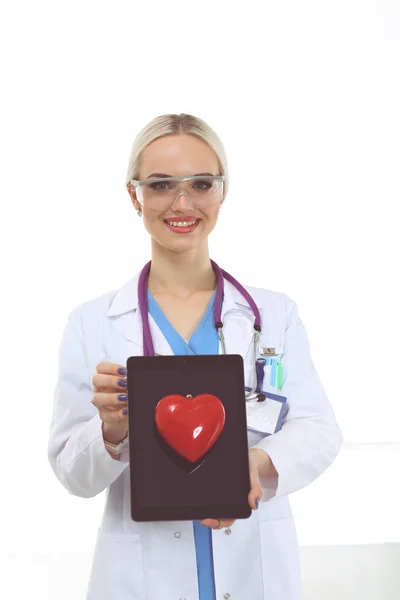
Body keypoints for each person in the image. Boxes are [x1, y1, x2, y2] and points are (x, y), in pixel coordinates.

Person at [48, 113, 343, 600]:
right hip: (142, 578)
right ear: (133, 194)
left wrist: (253, 464)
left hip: (254, 567)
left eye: (201, 183)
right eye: (161, 185)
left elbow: (319, 430)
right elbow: (72, 475)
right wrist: (110, 432)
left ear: (222, 191)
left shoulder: (274, 315)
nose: (182, 203)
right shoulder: (92, 323)